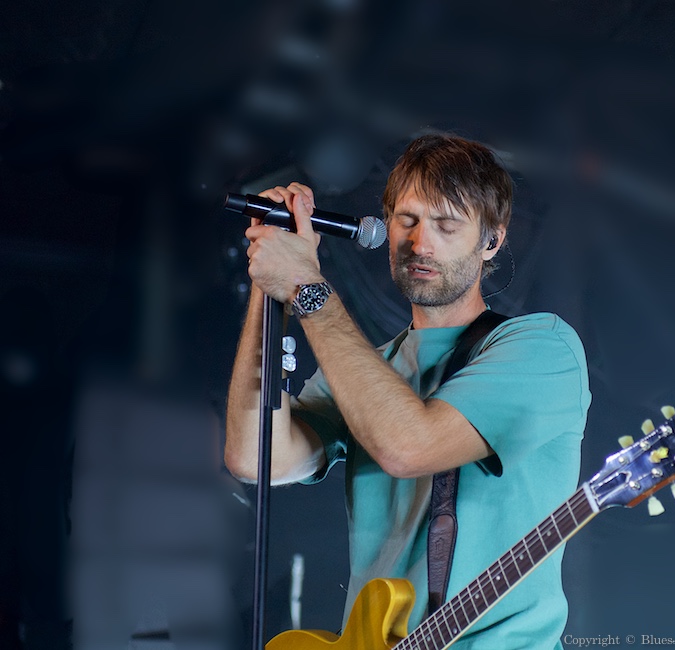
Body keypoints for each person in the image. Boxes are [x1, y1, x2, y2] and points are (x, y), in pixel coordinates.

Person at [224, 134, 591, 649]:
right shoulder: (365, 370)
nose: (421, 244)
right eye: (408, 220)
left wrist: (308, 287)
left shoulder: (542, 349)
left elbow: (408, 446)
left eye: (446, 225)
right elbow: (252, 455)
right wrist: (271, 282)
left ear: (492, 241)